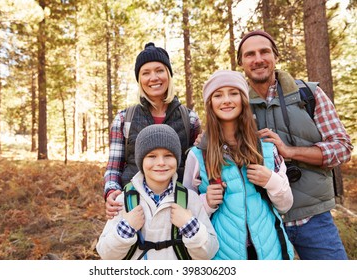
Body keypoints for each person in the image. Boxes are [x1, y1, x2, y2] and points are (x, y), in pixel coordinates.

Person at [236, 30, 354, 260]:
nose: (258, 59)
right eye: (250, 54)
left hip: (312, 219)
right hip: (262, 222)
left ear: (275, 56)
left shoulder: (308, 94)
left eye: (264, 52)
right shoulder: (235, 102)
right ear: (241, 62)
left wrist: (290, 151)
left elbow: (342, 147)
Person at [183, 70, 294, 260]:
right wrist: (206, 203)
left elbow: (285, 205)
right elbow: (186, 212)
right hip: (222, 257)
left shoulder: (267, 149)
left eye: (233, 93)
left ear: (243, 99)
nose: (226, 100)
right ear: (210, 104)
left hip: (271, 253)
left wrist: (271, 181)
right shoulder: (197, 155)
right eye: (218, 95)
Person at [104, 42, 201, 219]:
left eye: (159, 70)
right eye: (146, 73)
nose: (153, 78)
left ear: (169, 75)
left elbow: (197, 167)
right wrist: (111, 191)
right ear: (139, 80)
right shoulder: (125, 119)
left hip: (176, 208)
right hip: (134, 207)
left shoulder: (190, 119)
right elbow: (114, 168)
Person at [97, 124, 219, 260]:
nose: (161, 162)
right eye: (152, 156)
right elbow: (106, 254)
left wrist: (190, 225)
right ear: (140, 160)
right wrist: (126, 228)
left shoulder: (190, 199)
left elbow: (209, 252)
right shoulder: (124, 200)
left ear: (177, 159)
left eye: (168, 155)